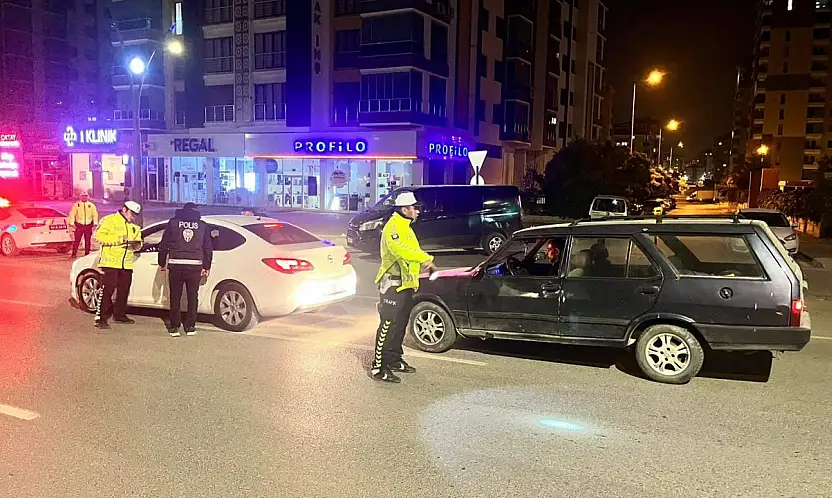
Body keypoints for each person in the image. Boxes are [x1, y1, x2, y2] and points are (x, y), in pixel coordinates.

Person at [370, 191, 436, 383]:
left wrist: (414, 282)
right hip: (392, 284)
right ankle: (378, 366)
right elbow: (402, 251)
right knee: (388, 325)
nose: (418, 211)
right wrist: (426, 259)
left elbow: (413, 253)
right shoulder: (393, 228)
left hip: (405, 285)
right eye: (415, 208)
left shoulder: (407, 227)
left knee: (400, 325)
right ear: (405, 209)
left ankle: (393, 359)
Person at [158, 203, 213, 337]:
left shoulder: (173, 223)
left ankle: (174, 327)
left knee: (175, 296)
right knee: (192, 297)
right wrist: (206, 266)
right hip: (194, 265)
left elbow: (164, 244)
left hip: (176, 264)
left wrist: (161, 262)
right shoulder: (202, 225)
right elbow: (207, 248)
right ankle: (190, 326)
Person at [93, 201, 143, 329]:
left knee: (124, 290)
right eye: (132, 214)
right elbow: (98, 237)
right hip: (110, 262)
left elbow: (139, 241)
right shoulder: (109, 221)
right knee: (107, 290)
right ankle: (101, 318)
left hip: (126, 264)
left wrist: (137, 245)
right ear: (124, 209)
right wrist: (120, 239)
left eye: (136, 215)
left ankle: (119, 315)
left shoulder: (134, 227)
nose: (133, 217)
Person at [69, 192, 99, 258]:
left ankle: (87, 253)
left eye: (85, 196)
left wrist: (95, 222)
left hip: (88, 226)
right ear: (80, 197)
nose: (84, 197)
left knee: (88, 240)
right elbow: (72, 214)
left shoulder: (91, 205)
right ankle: (74, 253)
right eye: (82, 196)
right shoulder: (76, 205)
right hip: (79, 226)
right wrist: (72, 223)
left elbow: (95, 214)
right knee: (77, 240)